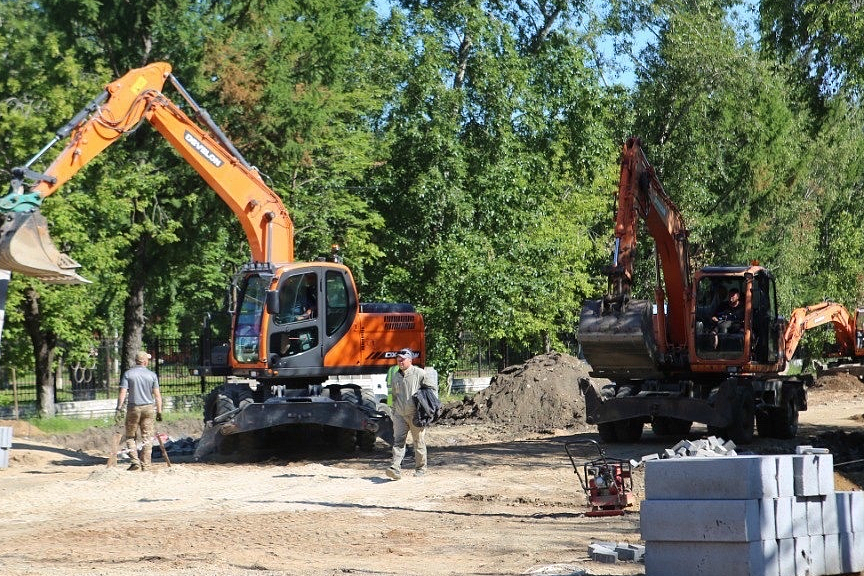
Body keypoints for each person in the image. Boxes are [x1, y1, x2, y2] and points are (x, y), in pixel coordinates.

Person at [385, 348, 429, 480]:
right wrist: (393, 410)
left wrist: (425, 409)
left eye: (403, 359)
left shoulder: (419, 373)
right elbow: (394, 395)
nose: (400, 361)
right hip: (399, 415)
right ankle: (395, 468)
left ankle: (420, 469)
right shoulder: (396, 375)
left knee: (418, 442)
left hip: (416, 415)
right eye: (398, 359)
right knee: (398, 442)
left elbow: (431, 390)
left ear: (410, 360)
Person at [115, 350, 162, 471]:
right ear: (145, 362)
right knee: (147, 437)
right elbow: (157, 395)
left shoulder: (128, 374)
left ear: (136, 361)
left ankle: (135, 461)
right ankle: (146, 465)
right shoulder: (152, 375)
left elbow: (122, 392)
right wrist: (159, 411)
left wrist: (119, 408)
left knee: (130, 436)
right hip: (149, 408)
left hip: (133, 408)